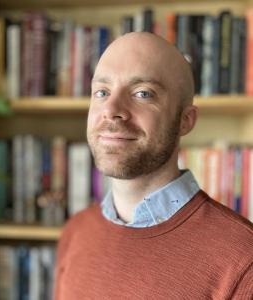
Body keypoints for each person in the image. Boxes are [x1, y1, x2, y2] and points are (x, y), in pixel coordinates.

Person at [54, 32, 253, 299]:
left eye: (142, 93)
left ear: (186, 120)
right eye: (102, 92)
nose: (112, 109)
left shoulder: (242, 259)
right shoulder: (76, 232)